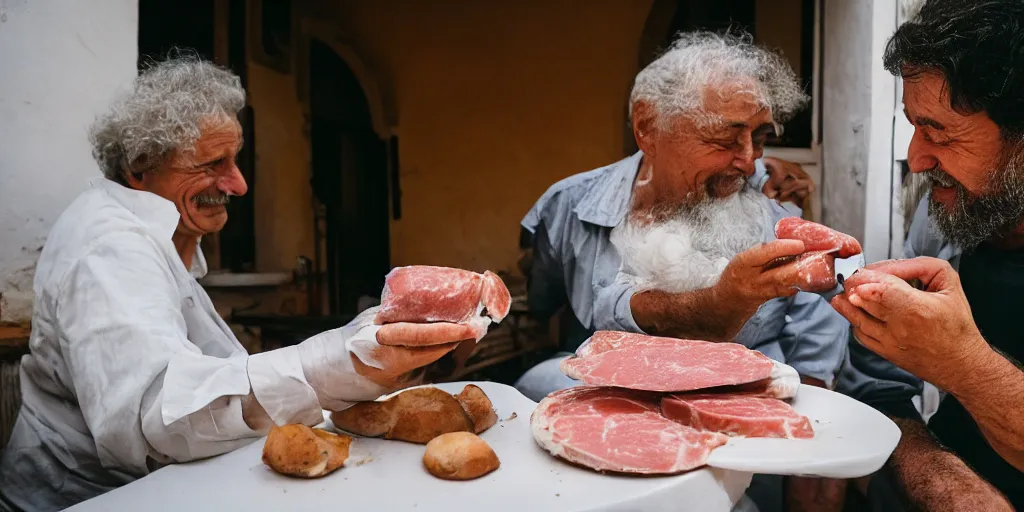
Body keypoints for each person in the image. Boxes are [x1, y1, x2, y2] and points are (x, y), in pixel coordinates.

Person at [0, 54, 467, 512]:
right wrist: (345, 359)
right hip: (82, 498)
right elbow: (160, 414)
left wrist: (376, 366)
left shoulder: (158, 235)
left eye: (235, 160)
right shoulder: (109, 250)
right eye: (213, 164)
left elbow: (212, 377)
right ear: (140, 166)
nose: (239, 184)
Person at [514, 32, 849, 512]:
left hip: (742, 443)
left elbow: (816, 377)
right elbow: (542, 304)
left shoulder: (778, 228)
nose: (750, 158)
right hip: (606, 432)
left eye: (759, 137)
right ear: (647, 126)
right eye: (725, 138)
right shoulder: (569, 207)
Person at [832, 1, 1024, 510]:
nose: (916, 159)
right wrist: (943, 483)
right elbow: (876, 385)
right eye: (914, 126)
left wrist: (964, 365)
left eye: (938, 132)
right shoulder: (946, 214)